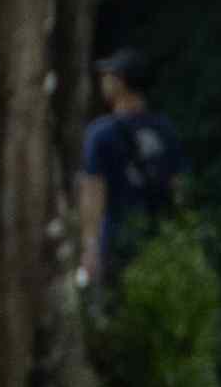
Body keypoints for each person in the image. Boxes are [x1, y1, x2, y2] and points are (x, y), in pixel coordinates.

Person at [76, 48, 183, 289]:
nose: (103, 80)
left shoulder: (100, 133)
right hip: (160, 240)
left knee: (115, 306)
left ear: (120, 81)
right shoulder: (165, 130)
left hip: (117, 243)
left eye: (108, 74)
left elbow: (93, 192)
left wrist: (90, 248)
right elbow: (178, 187)